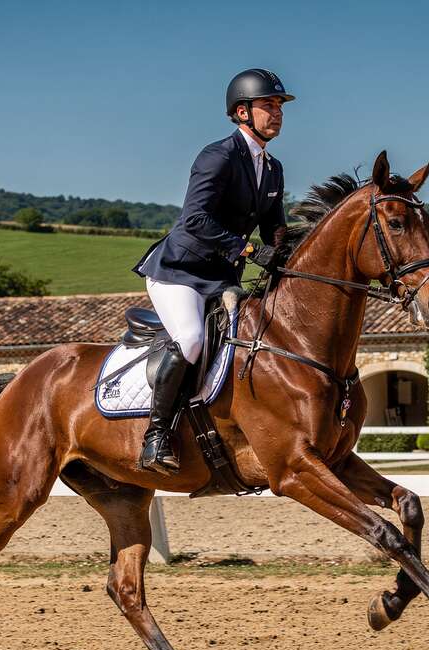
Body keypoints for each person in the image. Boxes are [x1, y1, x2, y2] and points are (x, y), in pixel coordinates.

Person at [132, 68, 294, 474]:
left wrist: (287, 258)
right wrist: (249, 249)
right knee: (190, 339)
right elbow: (195, 219)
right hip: (179, 272)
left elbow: (275, 225)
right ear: (242, 112)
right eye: (268, 106)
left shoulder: (272, 168)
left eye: (279, 107)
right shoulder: (218, 155)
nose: (277, 113)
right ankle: (156, 437)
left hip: (222, 279)